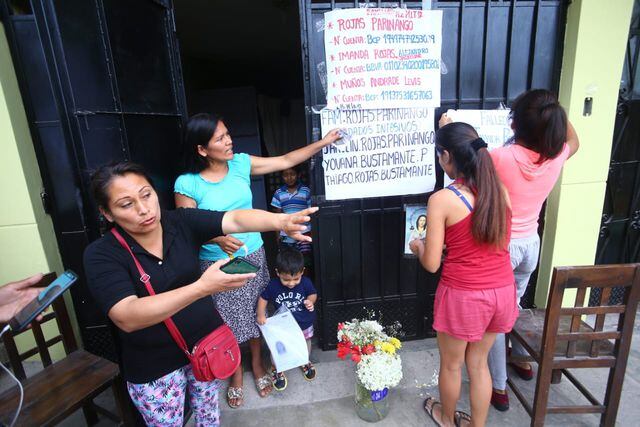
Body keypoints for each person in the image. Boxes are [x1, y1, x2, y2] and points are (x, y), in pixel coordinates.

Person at [83, 161, 315, 426]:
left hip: (205, 349)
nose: (143, 209)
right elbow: (127, 315)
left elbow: (234, 219)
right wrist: (201, 287)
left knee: (209, 417)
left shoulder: (178, 222)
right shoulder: (102, 255)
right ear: (107, 213)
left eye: (146, 195)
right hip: (155, 367)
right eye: (126, 204)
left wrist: (280, 221)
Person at [174, 113, 339, 407]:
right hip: (216, 265)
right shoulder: (187, 184)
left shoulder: (240, 163)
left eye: (228, 134)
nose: (229, 141)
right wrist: (216, 238)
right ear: (202, 149)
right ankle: (235, 372)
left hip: (252, 254)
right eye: (220, 138)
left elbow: (286, 160)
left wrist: (322, 143)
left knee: (256, 313)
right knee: (226, 319)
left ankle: (258, 363)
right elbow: (187, 228)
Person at [455, 89, 578, 411]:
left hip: (503, 247)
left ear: (514, 124)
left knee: (495, 319)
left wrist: (450, 126)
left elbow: (469, 173)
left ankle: (498, 385)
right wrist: (554, 112)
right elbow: (573, 140)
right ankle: (522, 360)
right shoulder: (557, 155)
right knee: (513, 306)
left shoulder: (500, 158)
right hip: (530, 245)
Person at [410, 122, 517, 427]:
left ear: (446, 156)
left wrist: (419, 247)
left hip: (464, 295)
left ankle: (447, 418)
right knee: (479, 364)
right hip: (502, 291)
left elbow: (432, 264)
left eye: (439, 155)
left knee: (452, 365)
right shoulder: (500, 191)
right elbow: (493, 242)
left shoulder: (443, 199)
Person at [256, 247, 317, 391]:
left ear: (302, 271)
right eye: (286, 279)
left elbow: (313, 294)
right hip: (283, 325)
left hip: (303, 322)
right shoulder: (273, 285)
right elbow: (263, 298)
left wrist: (310, 301)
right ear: (277, 272)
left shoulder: (306, 282)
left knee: (305, 343)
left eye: (296, 279)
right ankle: (277, 366)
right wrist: (260, 314)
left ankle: (304, 359)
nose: (291, 283)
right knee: (279, 347)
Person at [271, 166, 313, 256]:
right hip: (286, 234)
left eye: (292, 174)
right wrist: (277, 236)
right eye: (285, 175)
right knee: (288, 260)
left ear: (298, 175)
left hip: (304, 232)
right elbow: (277, 216)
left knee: (306, 259)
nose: (289, 178)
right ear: (282, 177)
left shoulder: (306, 191)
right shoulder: (278, 193)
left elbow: (312, 213)